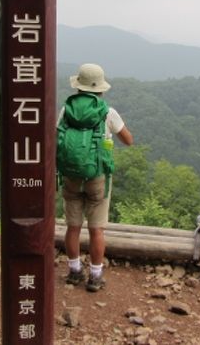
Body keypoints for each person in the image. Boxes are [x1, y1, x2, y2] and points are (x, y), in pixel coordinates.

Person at [58, 63, 133, 292]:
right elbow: (128, 140)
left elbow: (56, 136)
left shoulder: (66, 110)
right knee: (96, 229)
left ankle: (74, 272)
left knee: (73, 227)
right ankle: (95, 277)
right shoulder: (107, 112)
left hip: (70, 175)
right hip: (97, 176)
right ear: (100, 88)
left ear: (78, 86)